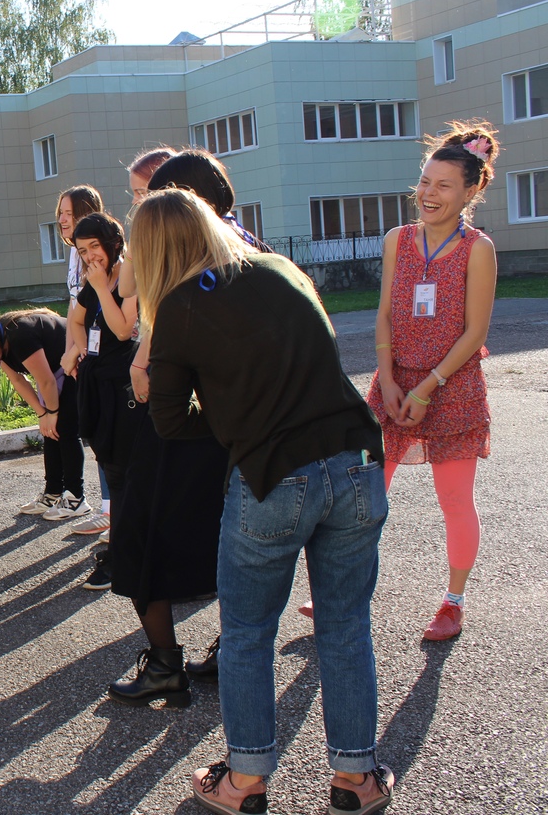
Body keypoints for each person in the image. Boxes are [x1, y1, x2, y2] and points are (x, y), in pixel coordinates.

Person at [135, 188, 394, 815]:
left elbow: (168, 419)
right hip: (356, 460)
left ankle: (245, 781)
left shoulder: (178, 308)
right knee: (345, 625)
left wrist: (235, 422)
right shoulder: (280, 267)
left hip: (273, 476)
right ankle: (356, 779)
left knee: (248, 632)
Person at [103, 150, 235, 700]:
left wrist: (145, 367)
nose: (139, 210)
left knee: (139, 538)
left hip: (187, 419)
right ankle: (231, 650)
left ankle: (165, 664)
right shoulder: (240, 251)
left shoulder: (198, 267)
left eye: (148, 198)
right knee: (227, 540)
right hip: (227, 425)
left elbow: (137, 296)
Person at [365, 119, 499, 641]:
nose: (428, 193)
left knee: (455, 501)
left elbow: (475, 332)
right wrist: (390, 380)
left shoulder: (478, 249)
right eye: (424, 181)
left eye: (443, 185)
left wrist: (428, 387)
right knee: (364, 495)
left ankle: (453, 603)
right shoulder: (397, 240)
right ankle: (345, 588)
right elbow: (384, 315)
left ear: (470, 191)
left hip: (453, 386)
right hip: (394, 382)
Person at [62, 213, 147, 579]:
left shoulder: (128, 274)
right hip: (96, 382)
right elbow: (76, 320)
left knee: (127, 471)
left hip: (124, 386)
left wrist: (99, 288)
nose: (90, 257)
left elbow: (123, 329)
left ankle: (125, 555)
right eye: (82, 251)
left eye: (94, 247)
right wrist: (82, 350)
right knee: (111, 466)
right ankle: (122, 550)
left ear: (112, 243)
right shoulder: (95, 280)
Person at [0, 310, 88, 518]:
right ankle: (53, 492)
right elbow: (18, 381)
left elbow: (46, 381)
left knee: (66, 430)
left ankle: (76, 498)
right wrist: (43, 415)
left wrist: (52, 413)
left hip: (78, 365)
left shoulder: (19, 336)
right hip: (57, 372)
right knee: (50, 432)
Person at [58, 185, 111, 531]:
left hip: (105, 349)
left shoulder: (99, 254)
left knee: (108, 434)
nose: (62, 220)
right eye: (60, 213)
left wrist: (76, 351)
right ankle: (107, 507)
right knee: (96, 432)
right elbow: (74, 308)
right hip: (84, 350)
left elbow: (100, 310)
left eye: (69, 213)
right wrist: (70, 353)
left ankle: (111, 510)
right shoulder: (74, 255)